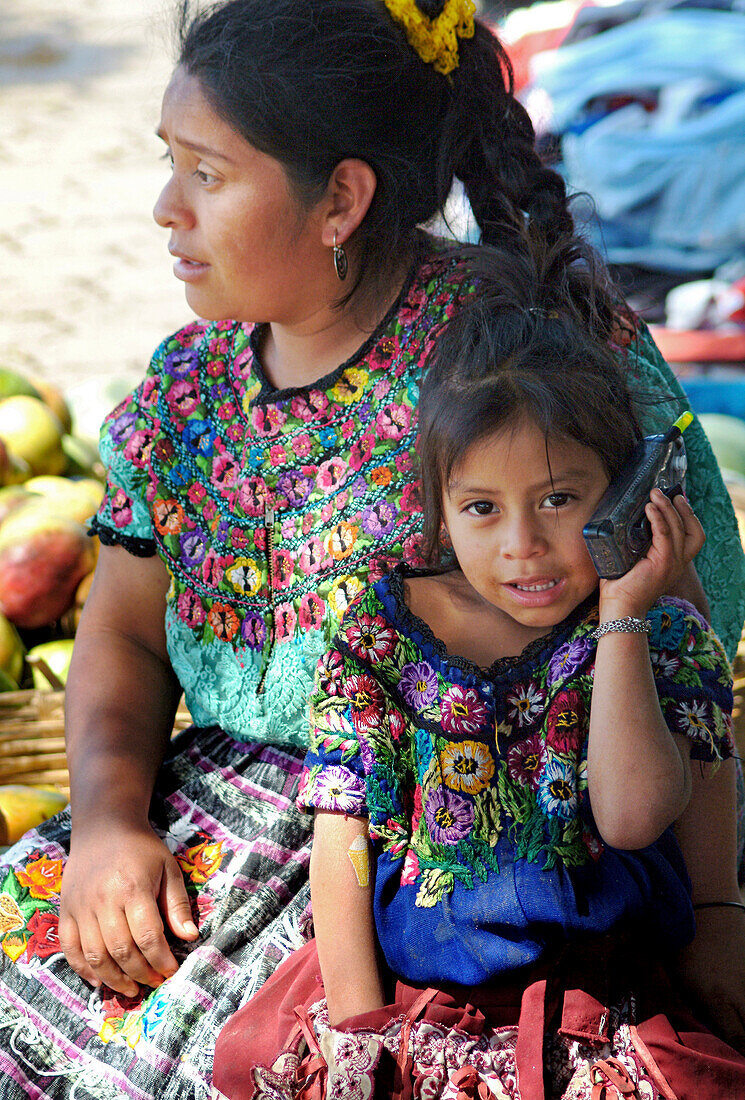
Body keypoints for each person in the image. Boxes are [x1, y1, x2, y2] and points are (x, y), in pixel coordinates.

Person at [0, 2, 742, 1098]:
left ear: (340, 199)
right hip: (227, 813)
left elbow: (678, 634)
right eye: (171, 164)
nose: (166, 209)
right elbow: (119, 625)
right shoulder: (185, 389)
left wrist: (718, 913)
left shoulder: (504, 362)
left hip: (468, 845)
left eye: (207, 173)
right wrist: (110, 824)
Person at [213, 242, 745, 1099]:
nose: (521, 544)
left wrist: (624, 616)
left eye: (560, 500)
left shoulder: (654, 633)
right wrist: (358, 1030)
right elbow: (342, 833)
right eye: (481, 509)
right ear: (438, 508)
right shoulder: (381, 642)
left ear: (621, 491)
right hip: (423, 1002)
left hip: (600, 1002)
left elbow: (635, 814)